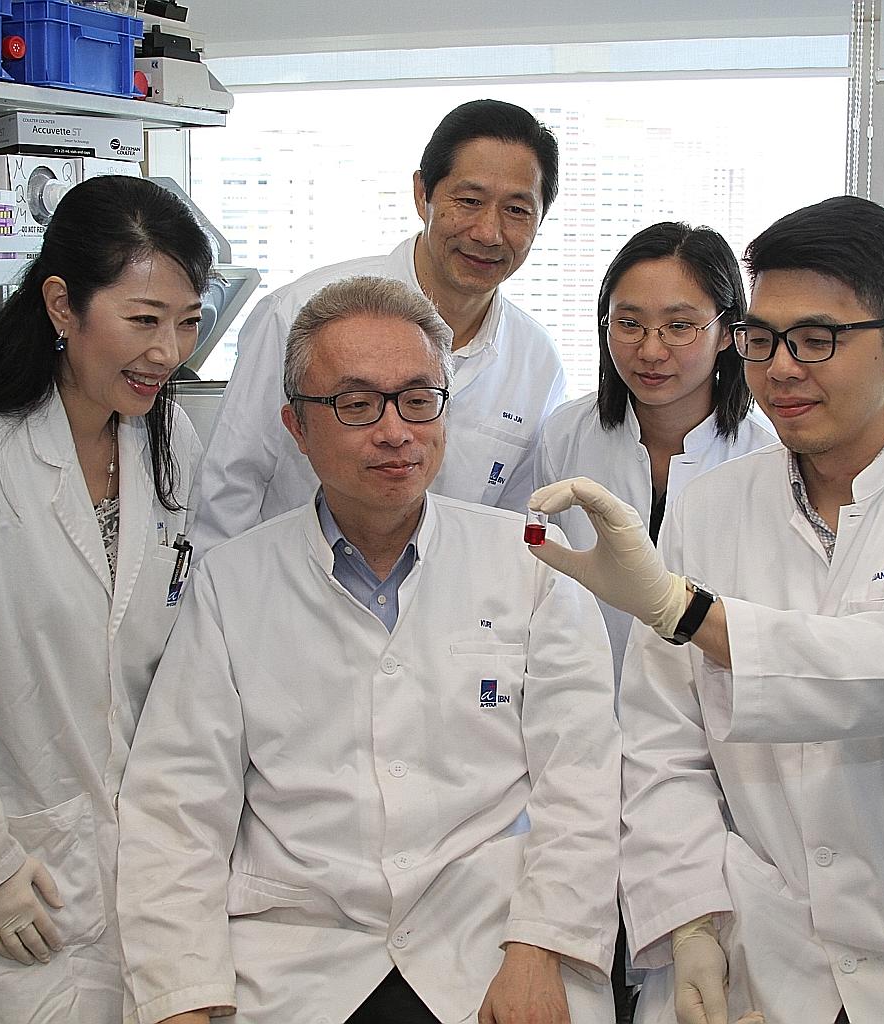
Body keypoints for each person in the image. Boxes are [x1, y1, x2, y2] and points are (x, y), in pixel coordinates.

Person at [529, 196, 884, 1024]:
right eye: (762, 338)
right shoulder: (713, 507)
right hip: (757, 925)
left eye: (817, 339)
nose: (781, 367)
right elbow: (662, 740)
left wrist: (683, 609)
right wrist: (690, 925)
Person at [116, 276, 620, 1024]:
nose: (396, 432)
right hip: (296, 954)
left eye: (419, 399)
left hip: (490, 943)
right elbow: (177, 808)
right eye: (357, 404)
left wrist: (539, 949)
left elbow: (581, 779)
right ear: (296, 426)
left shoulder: (532, 561)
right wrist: (180, 999)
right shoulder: (232, 583)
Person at [0, 175, 215, 1024]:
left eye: (187, 320)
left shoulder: (167, 441)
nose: (169, 351)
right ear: (62, 306)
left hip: (143, 855)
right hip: (12, 862)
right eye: (143, 319)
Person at [191, 98, 567, 552]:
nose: (488, 233)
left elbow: (508, 526)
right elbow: (229, 488)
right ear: (421, 193)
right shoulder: (299, 315)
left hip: (448, 614)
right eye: (469, 201)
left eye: (517, 210)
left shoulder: (536, 361)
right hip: (293, 598)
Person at [532, 221, 774, 685]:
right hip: (586, 703)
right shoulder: (564, 435)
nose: (650, 349)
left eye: (678, 326)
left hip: (716, 723)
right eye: (629, 323)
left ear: (727, 332)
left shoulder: (767, 456)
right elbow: (544, 588)